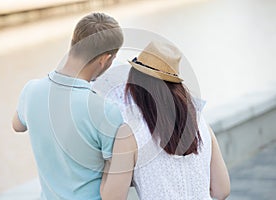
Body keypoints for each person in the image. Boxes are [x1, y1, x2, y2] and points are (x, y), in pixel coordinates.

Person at [12, 13, 135, 200]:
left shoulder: (31, 90)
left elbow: (17, 125)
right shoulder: (105, 111)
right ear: (104, 59)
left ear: (72, 43)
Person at [101, 41, 230, 200]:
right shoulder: (200, 121)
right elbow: (222, 190)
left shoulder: (130, 133)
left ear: (135, 83)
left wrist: (109, 163)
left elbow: (112, 198)